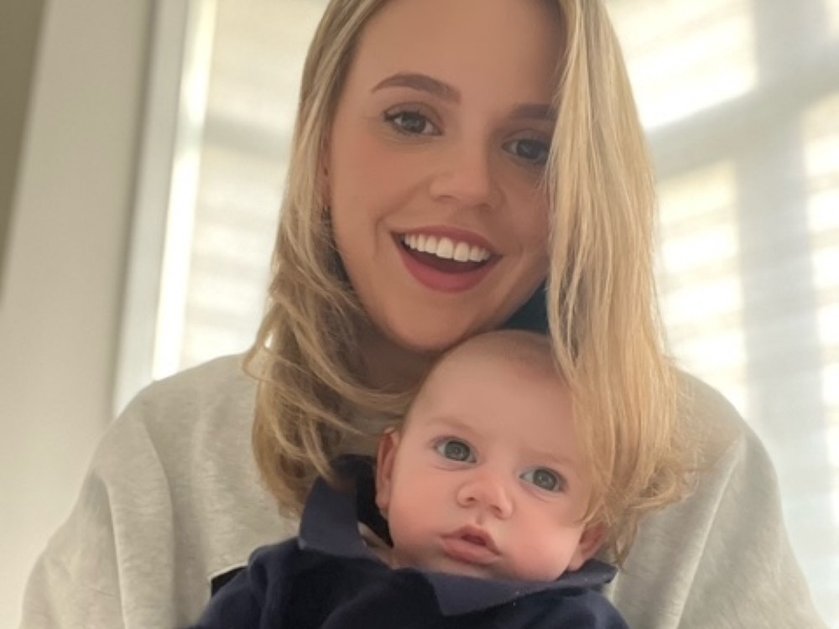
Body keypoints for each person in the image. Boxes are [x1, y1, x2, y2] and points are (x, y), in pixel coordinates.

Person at [21, 0, 825, 627]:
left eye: (531, 146)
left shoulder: (694, 459)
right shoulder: (169, 451)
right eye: (410, 120)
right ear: (322, 144)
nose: (467, 185)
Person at [194, 331, 642, 628]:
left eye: (544, 479)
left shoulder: (573, 621)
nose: (487, 494)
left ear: (587, 538)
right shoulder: (292, 577)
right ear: (388, 470)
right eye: (456, 451)